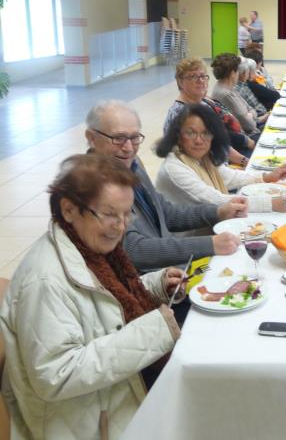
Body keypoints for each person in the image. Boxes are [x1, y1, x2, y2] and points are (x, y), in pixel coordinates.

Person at [0, 154, 186, 439]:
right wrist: (153, 332)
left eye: (127, 214)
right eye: (109, 214)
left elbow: (102, 302)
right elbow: (55, 374)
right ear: (69, 209)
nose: (121, 226)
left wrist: (155, 285)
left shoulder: (88, 249)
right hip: (90, 425)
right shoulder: (45, 281)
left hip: (110, 401)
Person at [85, 101, 247, 272]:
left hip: (172, 267)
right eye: (118, 138)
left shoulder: (132, 165)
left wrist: (218, 212)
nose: (128, 148)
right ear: (91, 138)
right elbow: (135, 250)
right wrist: (210, 244)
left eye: (134, 138)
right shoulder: (92, 186)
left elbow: (167, 213)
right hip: (150, 279)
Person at [156, 104, 286, 212]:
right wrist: (270, 204)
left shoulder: (203, 157)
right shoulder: (174, 168)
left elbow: (230, 177)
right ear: (178, 136)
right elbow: (216, 200)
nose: (199, 140)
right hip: (193, 235)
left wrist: (266, 177)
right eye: (190, 133)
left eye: (205, 133)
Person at [164, 57, 253, 163]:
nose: (200, 80)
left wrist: (244, 161)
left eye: (203, 76)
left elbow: (220, 141)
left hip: (223, 163)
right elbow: (190, 160)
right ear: (180, 82)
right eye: (193, 76)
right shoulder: (179, 113)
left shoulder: (203, 104)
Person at [210, 53, 266, 139]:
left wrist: (250, 115)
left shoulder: (229, 88)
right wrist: (249, 115)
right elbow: (249, 126)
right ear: (233, 73)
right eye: (237, 71)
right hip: (249, 136)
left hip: (252, 130)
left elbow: (251, 109)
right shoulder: (226, 94)